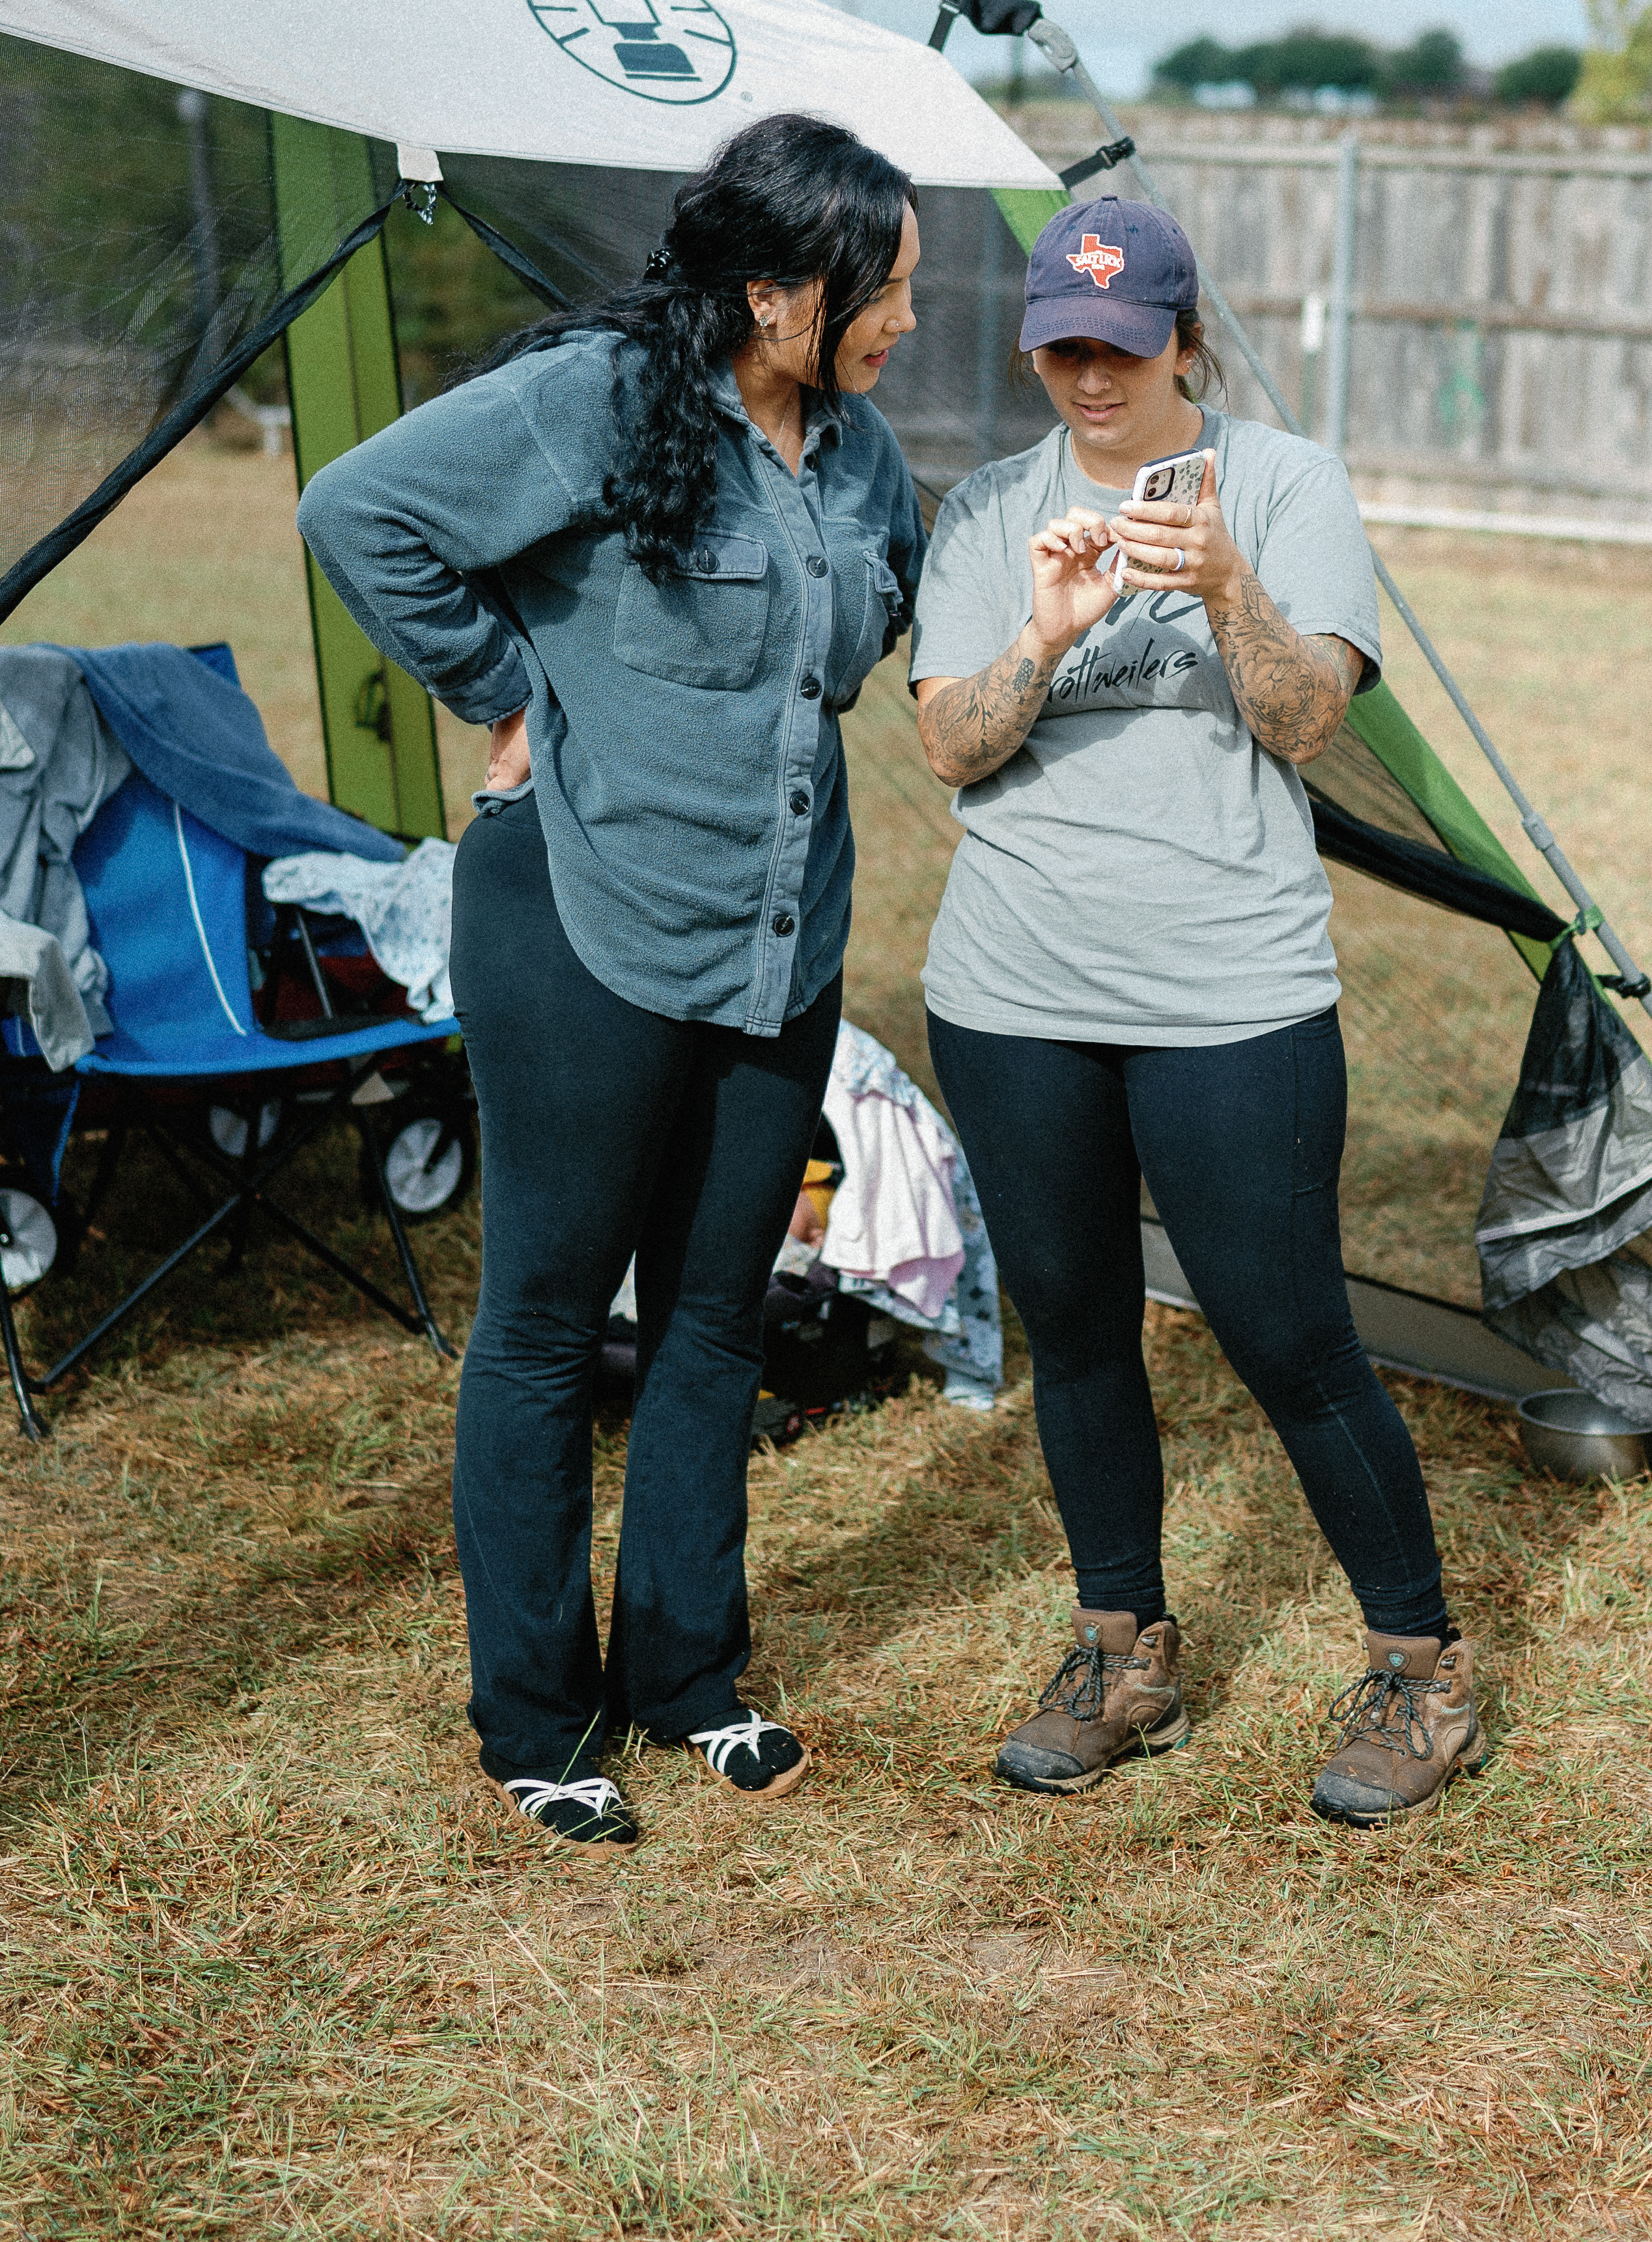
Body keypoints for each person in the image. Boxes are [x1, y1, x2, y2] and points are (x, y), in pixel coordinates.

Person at [298, 113, 924, 1854]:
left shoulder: (865, 454)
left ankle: (687, 1677)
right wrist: (508, 690)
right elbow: (360, 512)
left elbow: (885, 625)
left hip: (777, 940)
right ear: (777, 292)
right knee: (547, 1325)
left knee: (714, 1318)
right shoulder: (598, 399)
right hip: (580, 922)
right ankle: (536, 1721)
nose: (908, 322)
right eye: (885, 289)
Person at [910, 193, 1482, 1827]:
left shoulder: (1286, 487)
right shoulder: (992, 510)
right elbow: (952, 746)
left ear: (1184, 340)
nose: (1092, 379)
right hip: (1014, 987)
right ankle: (1124, 1654)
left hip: (1231, 990)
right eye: (1061, 351)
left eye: (1122, 345)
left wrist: (1226, 584)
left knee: (1289, 1334)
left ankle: (1423, 1670)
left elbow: (1306, 723)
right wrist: (1046, 632)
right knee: (1078, 1324)